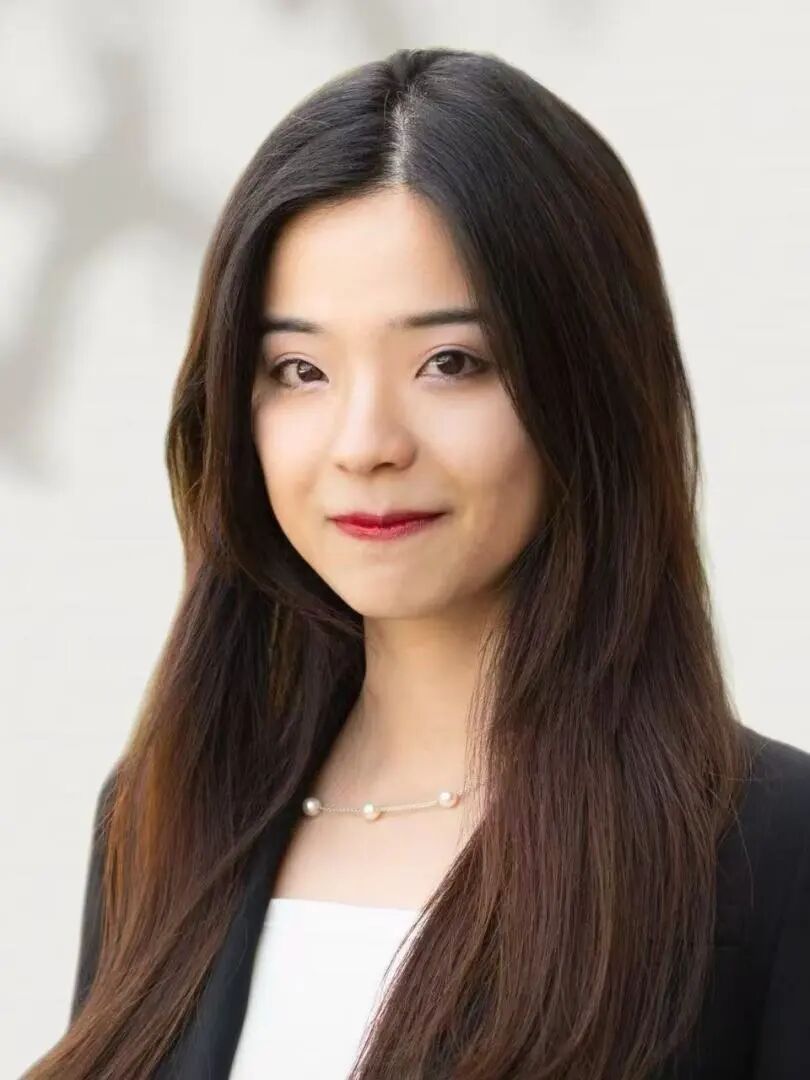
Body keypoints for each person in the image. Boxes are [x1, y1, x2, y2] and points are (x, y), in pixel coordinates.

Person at [26, 46, 810, 1080]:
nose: (365, 444)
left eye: (450, 363)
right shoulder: (162, 817)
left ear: (586, 383)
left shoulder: (766, 854)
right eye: (298, 369)